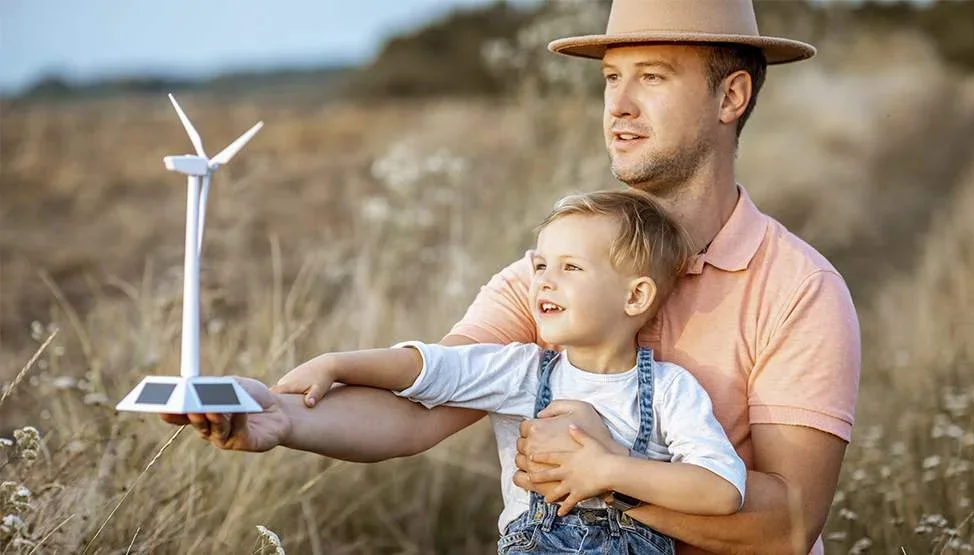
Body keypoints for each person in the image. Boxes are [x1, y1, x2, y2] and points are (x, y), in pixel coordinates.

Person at [162, 1, 861, 553]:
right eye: (611, 78)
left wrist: (601, 476)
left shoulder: (799, 290)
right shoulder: (552, 274)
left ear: (730, 95)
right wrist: (281, 417)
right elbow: (421, 405)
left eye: (652, 76)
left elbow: (787, 525)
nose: (617, 106)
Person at [275, 190, 747, 553]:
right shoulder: (520, 371)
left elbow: (722, 490)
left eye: (570, 268)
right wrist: (336, 363)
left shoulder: (670, 390)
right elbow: (430, 367)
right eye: (541, 265)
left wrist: (607, 470)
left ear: (636, 297)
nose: (543, 279)